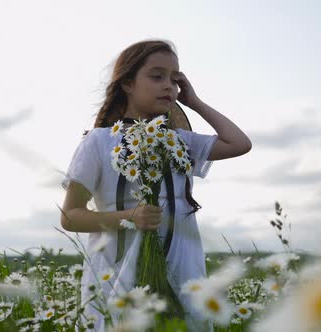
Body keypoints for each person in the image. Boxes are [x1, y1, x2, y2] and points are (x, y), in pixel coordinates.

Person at [60, 39, 252, 331]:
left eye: (174, 80)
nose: (168, 86)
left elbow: (239, 143)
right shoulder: (98, 142)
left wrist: (195, 102)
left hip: (182, 271)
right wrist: (128, 217)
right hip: (117, 274)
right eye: (156, 76)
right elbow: (70, 216)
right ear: (127, 83)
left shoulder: (180, 141)